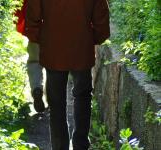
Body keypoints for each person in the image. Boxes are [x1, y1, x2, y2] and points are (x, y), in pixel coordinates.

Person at [24, 0, 110, 149]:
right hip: (81, 47)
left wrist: (39, 37)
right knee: (82, 97)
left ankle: (59, 146)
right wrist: (93, 37)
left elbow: (33, 13)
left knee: (56, 104)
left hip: (53, 48)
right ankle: (80, 143)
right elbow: (101, 15)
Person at [14, 0, 45, 113]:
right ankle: (54, 100)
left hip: (35, 31)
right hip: (55, 31)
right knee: (55, 67)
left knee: (34, 62)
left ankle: (36, 88)